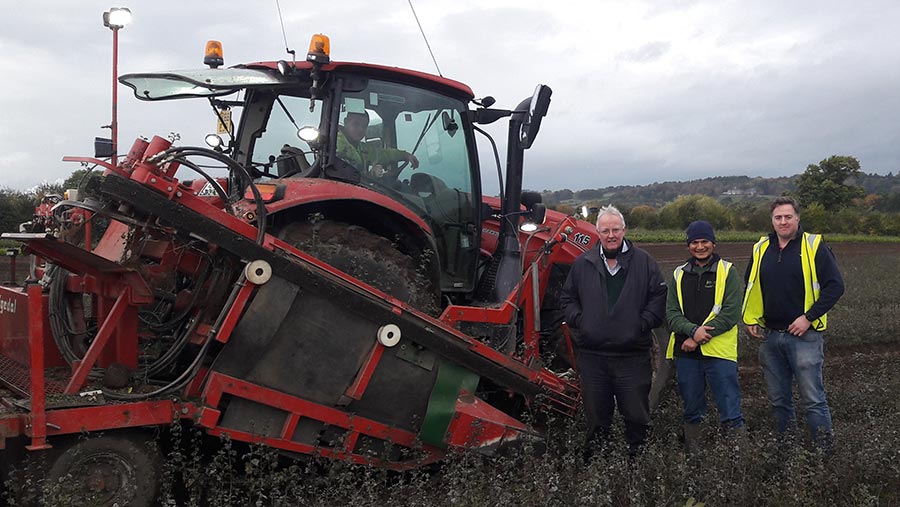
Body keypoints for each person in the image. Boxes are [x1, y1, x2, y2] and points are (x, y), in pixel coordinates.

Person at [561, 205, 667, 456]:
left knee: (636, 414)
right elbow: (567, 299)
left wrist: (641, 324)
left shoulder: (645, 262)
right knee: (597, 416)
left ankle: (637, 462)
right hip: (593, 356)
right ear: (597, 231)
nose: (611, 235)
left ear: (624, 230)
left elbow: (658, 297)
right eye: (606, 230)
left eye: (616, 230)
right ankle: (596, 465)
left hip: (631, 356)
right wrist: (582, 320)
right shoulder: (583, 263)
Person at [743, 196, 844, 451]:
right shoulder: (761, 247)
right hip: (771, 337)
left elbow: (835, 287)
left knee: (813, 400)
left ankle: (825, 455)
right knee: (779, 401)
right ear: (772, 221)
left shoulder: (813, 246)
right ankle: (787, 453)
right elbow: (752, 284)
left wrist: (808, 318)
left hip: (804, 337)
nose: (783, 221)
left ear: (797, 218)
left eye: (788, 216)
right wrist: (752, 318)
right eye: (778, 217)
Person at [666, 221, 745, 454]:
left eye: (704, 242)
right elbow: (671, 314)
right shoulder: (679, 274)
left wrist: (699, 336)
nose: (700, 247)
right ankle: (695, 458)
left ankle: (740, 462)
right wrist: (691, 331)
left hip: (719, 354)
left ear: (713, 243)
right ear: (688, 245)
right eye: (694, 242)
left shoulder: (727, 271)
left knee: (730, 410)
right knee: (692, 409)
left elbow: (730, 313)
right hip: (686, 354)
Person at [336, 111, 419, 177]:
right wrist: (371, 174)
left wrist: (405, 155)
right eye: (356, 124)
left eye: (364, 126)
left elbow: (384, 154)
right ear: (346, 122)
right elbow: (349, 176)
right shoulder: (337, 144)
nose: (360, 129)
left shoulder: (362, 148)